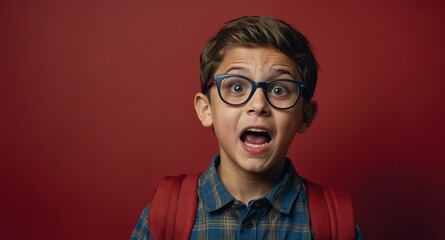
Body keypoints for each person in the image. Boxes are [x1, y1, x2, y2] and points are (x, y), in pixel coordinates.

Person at [131, 15, 363, 239]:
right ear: (206, 109)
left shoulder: (334, 224)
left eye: (279, 90)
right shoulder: (165, 215)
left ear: (305, 116)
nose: (259, 104)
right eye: (237, 87)